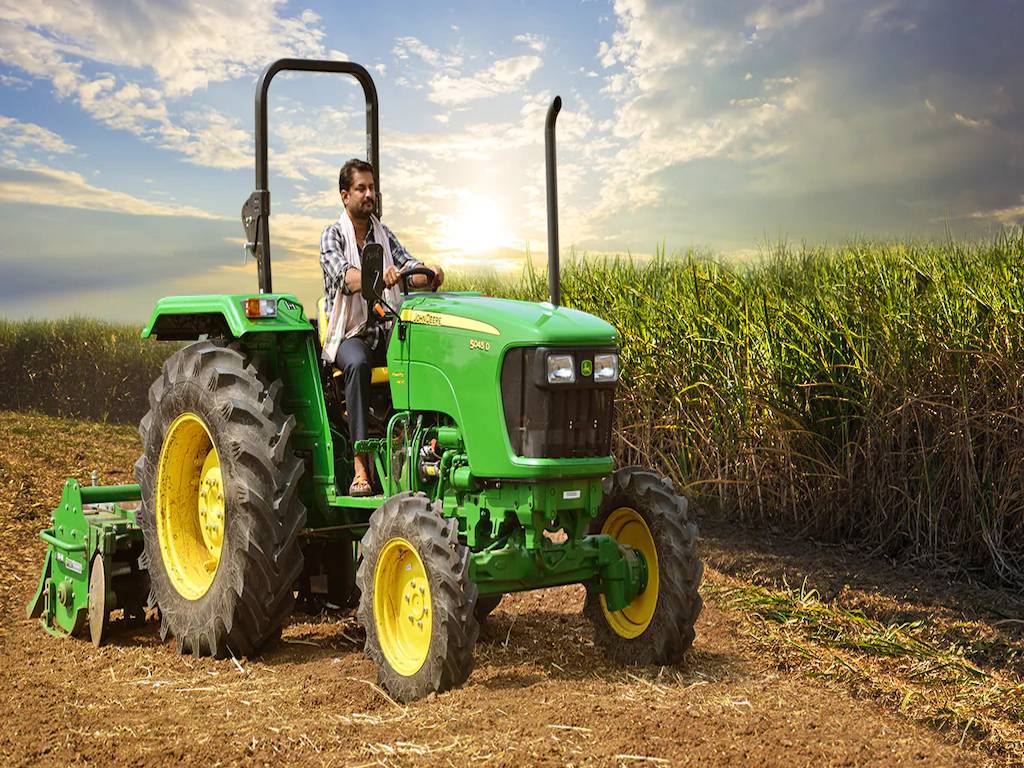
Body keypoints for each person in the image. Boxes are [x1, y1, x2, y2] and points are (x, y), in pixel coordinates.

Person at [320, 158, 445, 496]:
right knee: (359, 363)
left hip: (385, 329)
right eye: (361, 188)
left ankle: (422, 451)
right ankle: (360, 468)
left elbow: (408, 267)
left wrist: (429, 272)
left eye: (372, 187)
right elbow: (346, 278)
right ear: (345, 195)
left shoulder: (383, 234)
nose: (369, 194)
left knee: (421, 349)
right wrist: (376, 277)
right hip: (349, 334)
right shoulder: (333, 235)